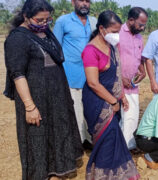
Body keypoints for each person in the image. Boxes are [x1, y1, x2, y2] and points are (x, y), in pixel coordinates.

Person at [4, 0, 83, 179]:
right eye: (39, 20)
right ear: (26, 16)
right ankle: (40, 173)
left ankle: (59, 167)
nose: (44, 24)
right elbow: (18, 74)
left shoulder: (45, 32)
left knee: (59, 131)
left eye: (47, 20)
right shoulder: (18, 39)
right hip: (36, 96)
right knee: (38, 136)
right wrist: (30, 106)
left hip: (55, 94)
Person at [81, 10, 139, 179]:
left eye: (118, 31)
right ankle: (102, 175)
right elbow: (93, 82)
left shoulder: (111, 47)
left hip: (112, 99)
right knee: (107, 139)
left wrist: (122, 96)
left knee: (113, 138)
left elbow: (116, 74)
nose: (116, 35)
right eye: (114, 31)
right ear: (101, 29)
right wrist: (114, 101)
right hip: (97, 102)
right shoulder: (91, 50)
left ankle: (115, 173)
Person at [53, 0, 96, 148]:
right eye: (81, 0)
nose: (84, 4)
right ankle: (77, 144)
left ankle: (90, 140)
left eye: (87, 1)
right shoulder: (63, 21)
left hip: (92, 76)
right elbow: (55, 48)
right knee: (75, 111)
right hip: (71, 74)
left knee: (90, 109)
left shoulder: (94, 22)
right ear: (73, 2)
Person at [118, 7, 148, 150]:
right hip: (116, 82)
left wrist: (142, 70)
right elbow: (112, 58)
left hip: (132, 84)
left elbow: (139, 57)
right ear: (131, 20)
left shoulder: (139, 37)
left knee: (132, 115)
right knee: (119, 116)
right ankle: (120, 147)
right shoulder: (117, 33)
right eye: (140, 24)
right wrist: (119, 78)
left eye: (144, 25)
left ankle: (128, 145)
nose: (142, 28)